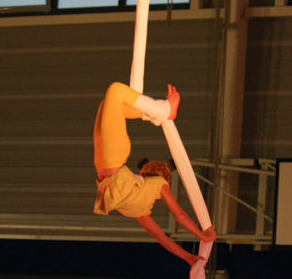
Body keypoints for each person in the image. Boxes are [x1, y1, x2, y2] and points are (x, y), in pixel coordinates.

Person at [92, 81, 216, 266]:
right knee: (115, 91)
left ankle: (159, 112)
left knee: (107, 105)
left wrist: (188, 255)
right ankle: (164, 110)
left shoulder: (142, 211)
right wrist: (200, 236)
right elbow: (177, 217)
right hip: (112, 158)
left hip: (105, 161)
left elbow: (162, 235)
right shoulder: (158, 187)